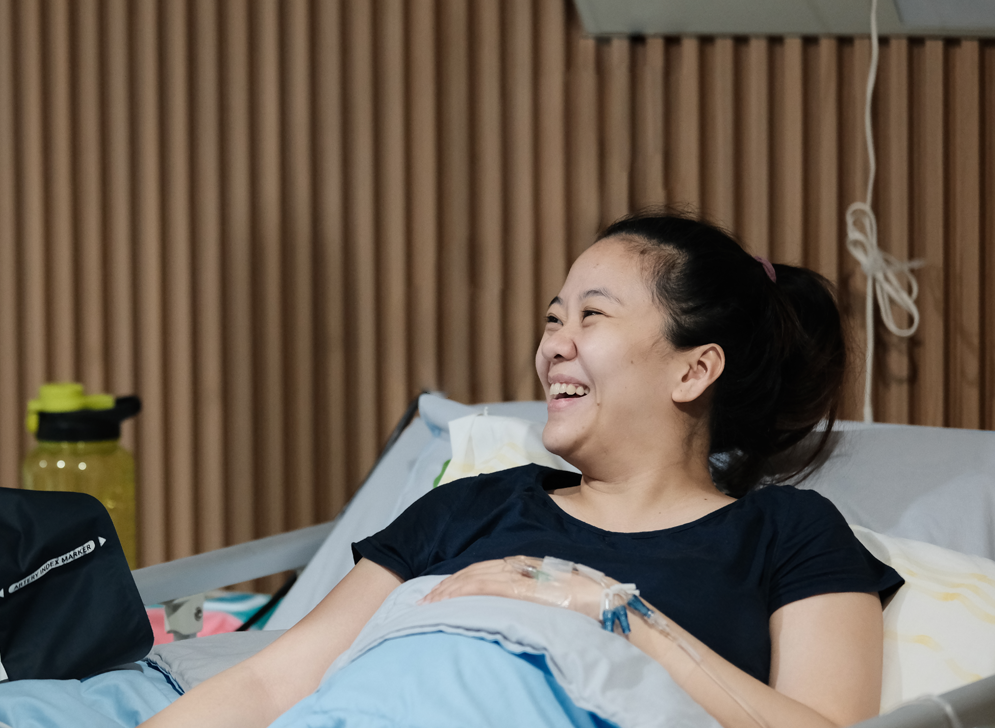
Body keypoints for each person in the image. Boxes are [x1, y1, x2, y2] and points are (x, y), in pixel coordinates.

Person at [139, 212, 902, 728]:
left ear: (694, 370)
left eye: (591, 316)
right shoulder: (468, 509)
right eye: (551, 317)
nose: (553, 346)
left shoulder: (784, 533)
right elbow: (272, 682)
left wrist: (612, 610)